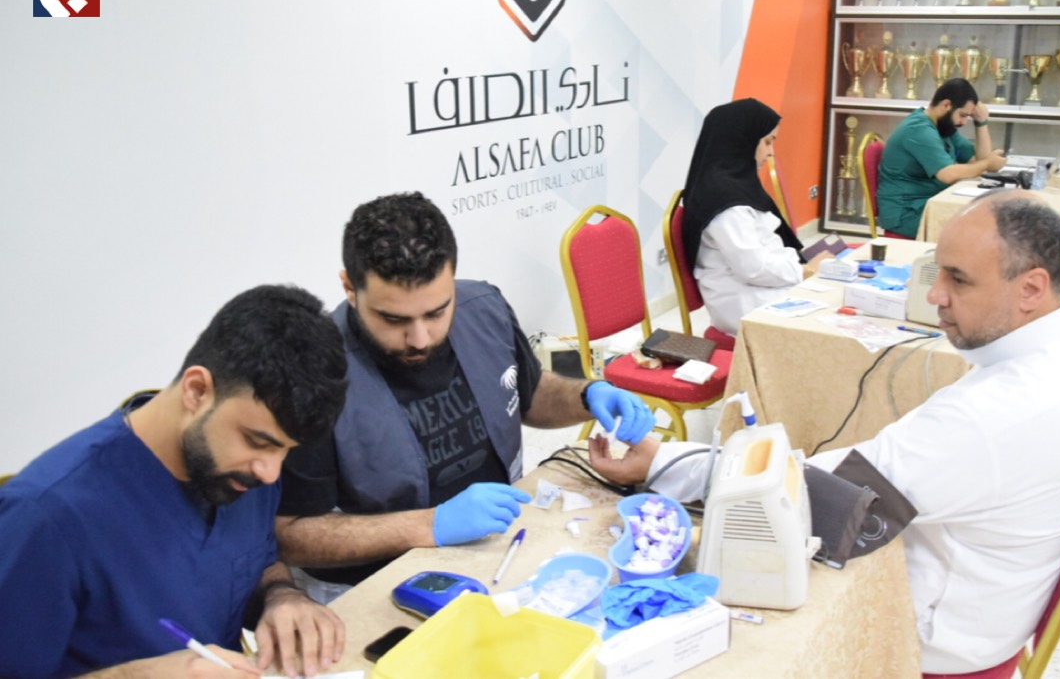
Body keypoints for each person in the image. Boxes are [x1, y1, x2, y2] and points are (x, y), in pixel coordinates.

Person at [588, 190, 1060, 675]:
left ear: (1031, 288)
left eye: (958, 279)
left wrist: (659, 461)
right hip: (995, 607)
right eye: (937, 272)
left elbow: (795, 496)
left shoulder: (990, 418)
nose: (935, 296)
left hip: (932, 641)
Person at [275, 192, 657, 590]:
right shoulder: (309, 376)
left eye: (436, 312)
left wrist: (587, 396)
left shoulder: (483, 308)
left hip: (495, 547)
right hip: (373, 583)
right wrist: (429, 525)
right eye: (393, 319)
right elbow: (291, 535)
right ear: (350, 288)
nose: (420, 339)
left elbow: (527, 393)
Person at [0, 285, 350, 679]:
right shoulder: (45, 516)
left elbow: (256, 562)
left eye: (286, 451)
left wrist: (281, 595)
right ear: (197, 390)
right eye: (258, 442)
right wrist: (136, 677)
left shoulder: (241, 474)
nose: (270, 472)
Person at [681, 98, 829, 336]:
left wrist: (803, 267)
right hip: (748, 304)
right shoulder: (724, 200)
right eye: (767, 142)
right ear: (743, 141)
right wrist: (805, 271)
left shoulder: (736, 184)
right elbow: (753, 268)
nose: (771, 152)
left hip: (762, 289)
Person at [876, 77, 1007, 239]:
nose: (964, 122)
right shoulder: (919, 129)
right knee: (978, 230)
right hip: (907, 214)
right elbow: (947, 174)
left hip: (926, 203)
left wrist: (981, 122)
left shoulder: (943, 126)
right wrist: (987, 163)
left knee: (983, 221)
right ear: (946, 105)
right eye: (962, 115)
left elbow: (980, 159)